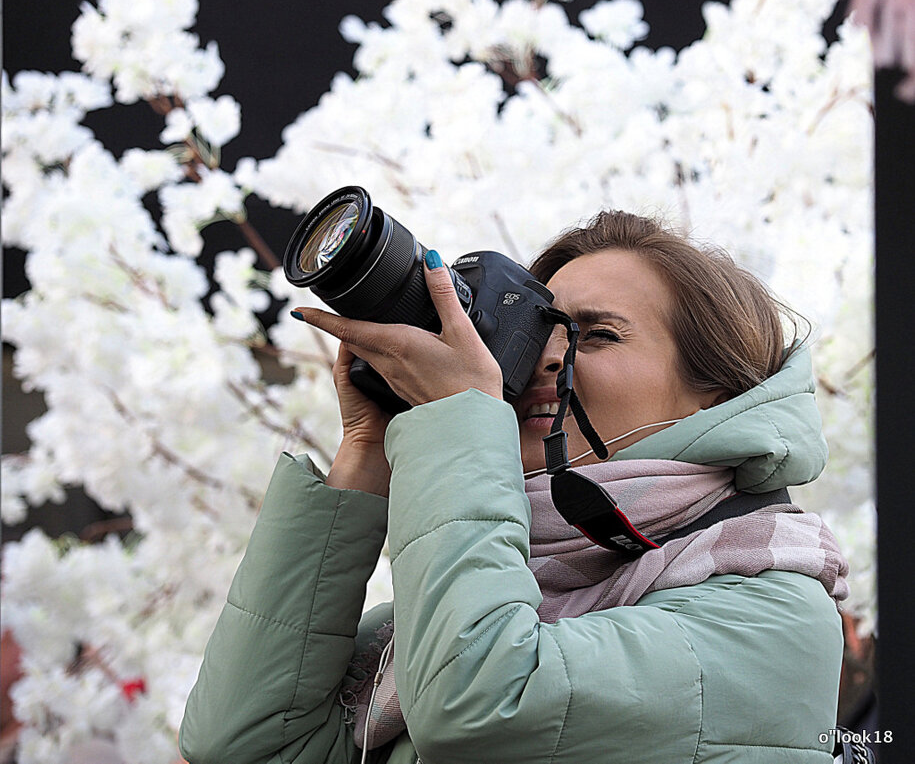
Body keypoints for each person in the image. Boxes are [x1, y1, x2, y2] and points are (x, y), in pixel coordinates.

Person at [179, 210, 848, 764]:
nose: (545, 356)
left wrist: (457, 420)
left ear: (718, 397)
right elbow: (239, 746)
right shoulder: (450, 606)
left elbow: (479, 704)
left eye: (596, 334)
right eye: (535, 331)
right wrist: (365, 455)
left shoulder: (768, 611)